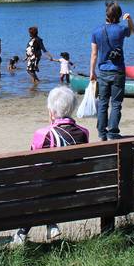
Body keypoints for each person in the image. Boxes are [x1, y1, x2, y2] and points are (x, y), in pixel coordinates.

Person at [11, 87, 89, 245]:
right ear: (72, 108)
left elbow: (34, 165)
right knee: (49, 183)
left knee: (38, 184)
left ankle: (23, 231)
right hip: (70, 189)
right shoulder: (83, 132)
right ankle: (50, 224)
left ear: (51, 111)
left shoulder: (44, 134)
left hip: (45, 191)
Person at [89, 2, 134, 141]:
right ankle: (113, 133)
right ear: (119, 16)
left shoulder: (96, 32)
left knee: (103, 102)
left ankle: (102, 133)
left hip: (103, 71)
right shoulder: (121, 30)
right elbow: (132, 31)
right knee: (116, 103)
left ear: (106, 15)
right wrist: (130, 20)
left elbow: (94, 54)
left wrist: (92, 72)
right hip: (118, 71)